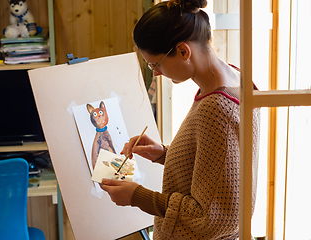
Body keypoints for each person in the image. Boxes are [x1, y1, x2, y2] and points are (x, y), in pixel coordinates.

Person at [100, 0, 261, 239]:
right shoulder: (235, 79)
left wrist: (138, 196)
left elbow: (213, 217)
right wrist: (165, 153)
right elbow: (215, 172)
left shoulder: (216, 109)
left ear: (183, 51)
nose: (155, 72)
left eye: (155, 63)